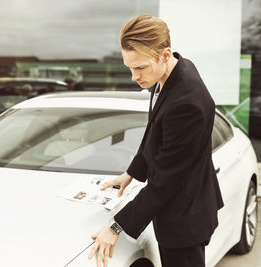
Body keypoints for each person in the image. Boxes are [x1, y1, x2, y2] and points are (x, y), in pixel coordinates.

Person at [88, 14, 224, 267]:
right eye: (130, 67)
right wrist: (131, 172)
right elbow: (155, 132)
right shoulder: (174, 70)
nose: (134, 77)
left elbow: (165, 182)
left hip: (185, 219)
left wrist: (116, 226)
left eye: (140, 68)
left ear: (165, 54)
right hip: (183, 203)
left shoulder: (187, 104)